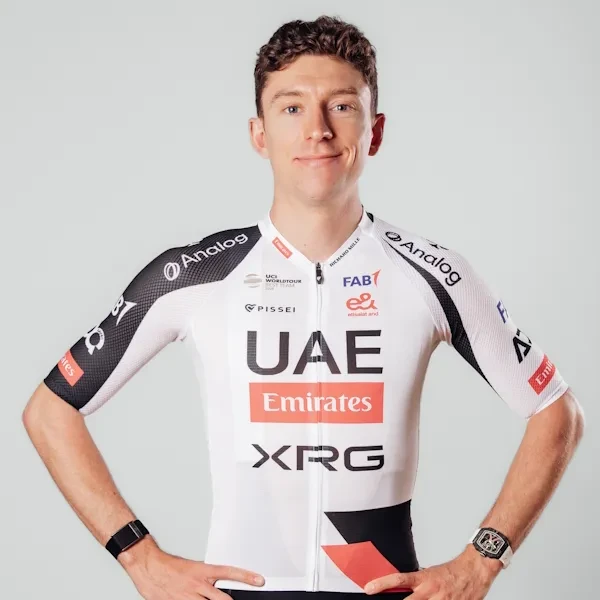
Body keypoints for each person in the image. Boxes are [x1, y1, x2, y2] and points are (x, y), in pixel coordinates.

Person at [22, 15, 584, 600]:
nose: (317, 129)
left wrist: (480, 563)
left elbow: (557, 413)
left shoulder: (432, 274)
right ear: (259, 134)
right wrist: (139, 558)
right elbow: (50, 410)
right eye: (291, 108)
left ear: (375, 131)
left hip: (377, 588)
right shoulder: (196, 275)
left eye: (341, 106)